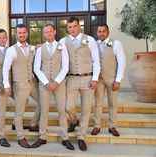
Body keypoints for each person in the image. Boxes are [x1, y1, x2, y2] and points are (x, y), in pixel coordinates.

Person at [59, 16, 100, 151]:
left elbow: (96, 61)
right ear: (67, 28)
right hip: (71, 79)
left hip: (88, 78)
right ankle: (73, 120)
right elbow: (55, 56)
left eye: (74, 26)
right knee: (68, 106)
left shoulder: (90, 40)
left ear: (79, 26)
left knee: (86, 108)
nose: (72, 29)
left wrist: (95, 78)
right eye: (69, 27)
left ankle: (81, 136)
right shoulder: (63, 41)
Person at [31, 23, 75, 150]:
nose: (48, 33)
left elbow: (65, 66)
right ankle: (42, 136)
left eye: (50, 31)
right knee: (44, 111)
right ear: (43, 34)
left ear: (55, 32)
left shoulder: (62, 47)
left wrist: (56, 82)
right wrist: (46, 82)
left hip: (59, 84)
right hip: (44, 85)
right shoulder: (39, 49)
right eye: (46, 32)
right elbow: (36, 68)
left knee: (62, 111)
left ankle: (65, 137)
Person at [2, 24, 40, 148]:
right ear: (16, 34)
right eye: (19, 33)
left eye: (24, 32)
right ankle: (20, 137)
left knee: (43, 102)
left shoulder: (31, 48)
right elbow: (6, 68)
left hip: (32, 82)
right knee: (19, 113)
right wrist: (7, 85)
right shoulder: (12, 50)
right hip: (19, 84)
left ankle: (33, 124)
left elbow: (42, 47)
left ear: (27, 33)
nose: (22, 35)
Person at [91, 24, 126, 137]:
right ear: (97, 33)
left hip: (112, 79)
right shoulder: (94, 44)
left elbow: (121, 62)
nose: (101, 33)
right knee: (98, 103)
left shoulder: (116, 43)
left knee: (113, 103)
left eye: (103, 31)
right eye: (99, 31)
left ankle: (113, 126)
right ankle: (97, 125)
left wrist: (118, 79)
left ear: (108, 32)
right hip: (99, 79)